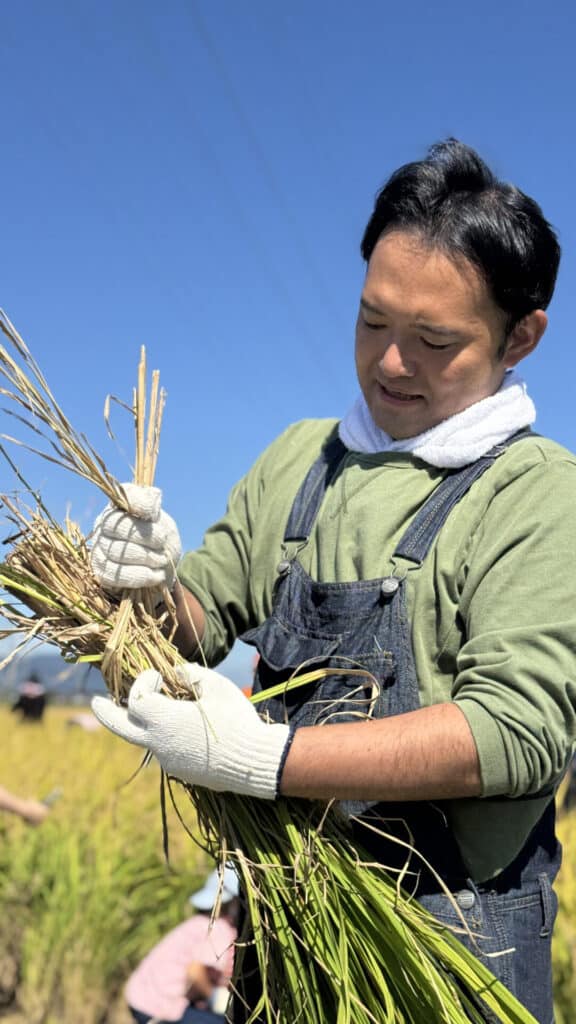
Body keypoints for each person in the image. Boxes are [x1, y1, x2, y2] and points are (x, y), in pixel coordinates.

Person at [89, 139, 576, 1024]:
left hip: (453, 942)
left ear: (522, 337)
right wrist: (143, 585)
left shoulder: (536, 493)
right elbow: (194, 625)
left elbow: (516, 731)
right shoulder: (302, 460)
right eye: (372, 322)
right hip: (285, 914)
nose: (391, 363)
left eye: (434, 341)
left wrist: (264, 760)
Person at [124, 866, 239, 1024]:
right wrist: (216, 999)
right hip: (156, 1006)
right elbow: (195, 971)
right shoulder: (217, 928)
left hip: (140, 996)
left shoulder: (198, 922)